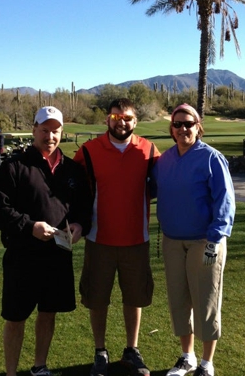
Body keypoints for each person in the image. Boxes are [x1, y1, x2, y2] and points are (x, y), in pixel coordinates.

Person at [0, 106, 93, 376]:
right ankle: (11, 373)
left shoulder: (72, 170)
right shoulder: (14, 166)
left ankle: (39, 367)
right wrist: (29, 226)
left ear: (62, 133)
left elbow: (83, 208)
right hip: (22, 254)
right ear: (34, 130)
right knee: (15, 317)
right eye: (44, 130)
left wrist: (80, 225)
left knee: (48, 313)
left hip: (57, 255)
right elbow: (0, 211)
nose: (50, 136)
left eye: (55, 131)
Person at [73, 98, 160, 376]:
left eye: (127, 118)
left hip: (137, 239)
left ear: (135, 121)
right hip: (99, 240)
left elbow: (165, 184)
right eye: (115, 117)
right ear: (107, 119)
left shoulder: (148, 150)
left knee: (134, 298)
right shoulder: (88, 150)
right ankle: (100, 351)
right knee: (97, 298)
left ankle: (131, 350)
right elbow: (72, 191)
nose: (121, 122)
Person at [152, 104, 235, 376]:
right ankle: (187, 357)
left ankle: (206, 363)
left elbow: (225, 202)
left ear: (198, 126)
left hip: (204, 241)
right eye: (177, 124)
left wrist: (215, 240)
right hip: (172, 241)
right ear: (171, 129)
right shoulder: (163, 161)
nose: (183, 128)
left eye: (188, 123)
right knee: (178, 300)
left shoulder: (211, 158)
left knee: (206, 301)